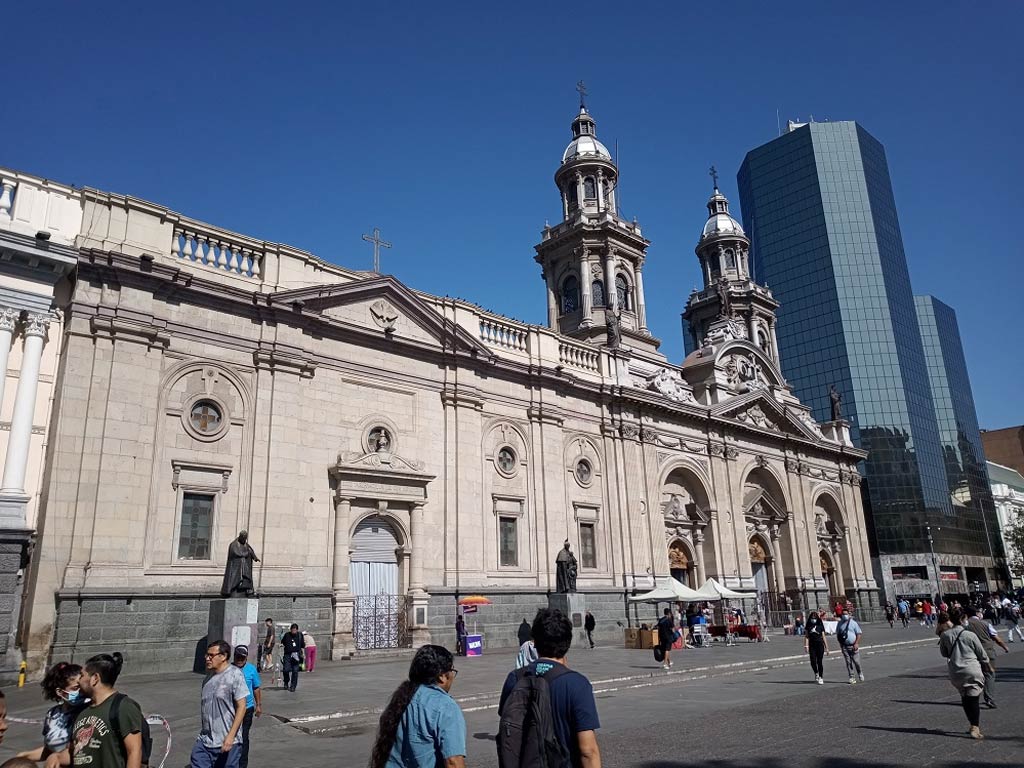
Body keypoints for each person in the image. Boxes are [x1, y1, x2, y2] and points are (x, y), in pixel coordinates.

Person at [499, 608, 601, 768]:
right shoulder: (577, 684)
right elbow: (588, 751)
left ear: (534, 641)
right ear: (568, 640)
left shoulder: (514, 678)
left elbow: (508, 729)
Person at [369, 645, 466, 768]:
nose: (453, 676)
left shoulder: (402, 698)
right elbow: (454, 762)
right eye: (452, 671)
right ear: (442, 676)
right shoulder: (446, 706)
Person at [72, 653, 144, 768]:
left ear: (94, 678)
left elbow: (134, 752)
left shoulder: (124, 707)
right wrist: (56, 757)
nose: (77, 682)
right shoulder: (82, 711)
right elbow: (77, 754)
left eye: (81, 676)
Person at [17, 661, 86, 768]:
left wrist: (57, 757)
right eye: (75, 688)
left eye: (82, 687)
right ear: (60, 692)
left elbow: (84, 751)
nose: (81, 692)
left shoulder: (87, 712)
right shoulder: (52, 714)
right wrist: (25, 756)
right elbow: (50, 749)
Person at [191, 640, 248, 768]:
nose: (207, 658)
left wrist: (231, 737)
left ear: (223, 656)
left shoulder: (235, 675)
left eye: (211, 655)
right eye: (206, 655)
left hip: (227, 741)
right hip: (205, 741)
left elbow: (242, 706)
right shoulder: (208, 678)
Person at [937, 609, 989, 739]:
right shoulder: (970, 635)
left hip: (956, 671)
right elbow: (982, 654)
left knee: (965, 697)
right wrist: (987, 665)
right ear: (962, 619)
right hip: (971, 669)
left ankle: (972, 724)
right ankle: (975, 727)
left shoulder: (945, 635)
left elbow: (944, 653)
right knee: (974, 698)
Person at [965, 606, 1008, 709]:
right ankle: (989, 698)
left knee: (974, 675)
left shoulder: (965, 625)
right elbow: (996, 638)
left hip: (972, 653)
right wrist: (1004, 647)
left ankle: (970, 697)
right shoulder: (985, 624)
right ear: (976, 614)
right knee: (989, 674)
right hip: (987, 652)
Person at [231, 646, 262, 768]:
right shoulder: (229, 669)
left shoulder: (251, 669)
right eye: (238, 657)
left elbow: (256, 688)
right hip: (231, 709)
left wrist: (258, 705)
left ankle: (242, 764)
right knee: (230, 736)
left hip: (247, 708)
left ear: (246, 657)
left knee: (243, 736)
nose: (240, 660)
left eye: (242, 657)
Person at [836, 609, 864, 684]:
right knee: (848, 662)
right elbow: (838, 635)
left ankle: (860, 672)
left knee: (856, 662)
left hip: (853, 645)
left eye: (846, 614)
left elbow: (859, 633)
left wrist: (856, 643)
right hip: (845, 646)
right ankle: (851, 676)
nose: (844, 615)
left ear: (849, 614)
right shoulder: (839, 624)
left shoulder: (853, 623)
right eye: (843, 614)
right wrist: (841, 645)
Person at [803, 611, 829, 685]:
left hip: (820, 644)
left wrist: (827, 648)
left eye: (814, 618)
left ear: (817, 618)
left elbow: (823, 636)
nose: (813, 619)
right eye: (812, 618)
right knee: (813, 661)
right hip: (812, 645)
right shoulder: (808, 626)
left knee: (819, 661)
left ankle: (821, 677)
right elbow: (807, 636)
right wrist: (806, 646)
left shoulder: (820, 625)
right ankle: (816, 672)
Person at [281, 624, 305, 692]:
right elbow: (282, 642)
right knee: (286, 669)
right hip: (287, 655)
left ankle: (293, 686)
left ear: (297, 630)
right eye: (292, 629)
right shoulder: (287, 635)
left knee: (295, 671)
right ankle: (286, 682)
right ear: (290, 629)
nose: (293, 631)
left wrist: (303, 654)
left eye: (295, 630)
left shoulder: (300, 635)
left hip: (296, 655)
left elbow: (303, 645)